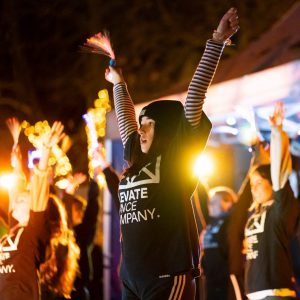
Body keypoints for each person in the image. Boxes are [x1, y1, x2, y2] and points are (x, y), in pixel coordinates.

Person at [104, 8, 239, 299]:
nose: (140, 130)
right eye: (141, 125)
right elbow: (127, 119)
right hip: (131, 278)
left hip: (167, 277)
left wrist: (216, 41)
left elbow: (194, 99)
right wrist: (118, 84)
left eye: (148, 125)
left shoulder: (177, 159)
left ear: (165, 131)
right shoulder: (136, 159)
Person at [0, 121, 75, 300]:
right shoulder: (13, 230)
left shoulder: (33, 231)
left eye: (26, 198)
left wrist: (46, 150)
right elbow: (16, 185)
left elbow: (39, 185)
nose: (18, 198)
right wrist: (16, 147)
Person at [244, 102, 300, 300]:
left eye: (260, 183)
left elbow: (279, 171)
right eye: (253, 184)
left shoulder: (280, 206)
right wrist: (256, 148)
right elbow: (257, 167)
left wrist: (276, 131)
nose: (254, 187)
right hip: (254, 293)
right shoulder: (255, 210)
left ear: (271, 183)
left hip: (276, 294)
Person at [200, 186, 237, 300]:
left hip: (227, 279)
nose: (210, 204)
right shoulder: (210, 224)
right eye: (209, 202)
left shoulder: (231, 221)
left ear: (228, 203)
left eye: (214, 202)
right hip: (211, 279)